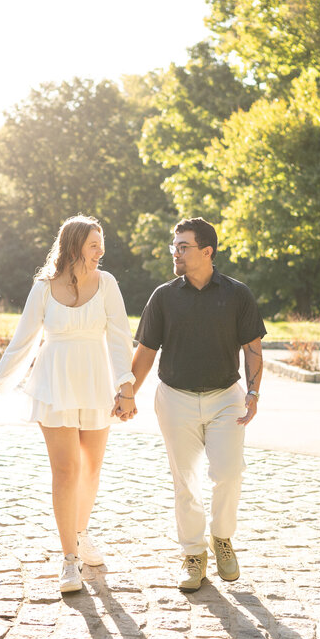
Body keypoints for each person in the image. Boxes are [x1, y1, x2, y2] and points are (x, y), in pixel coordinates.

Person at [0, 215, 135, 594]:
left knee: (91, 469)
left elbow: (120, 337)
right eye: (94, 245)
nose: (100, 252)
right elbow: (22, 343)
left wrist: (125, 387)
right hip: (54, 383)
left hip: (95, 382)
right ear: (74, 246)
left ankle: (81, 532)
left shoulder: (107, 284)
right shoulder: (43, 288)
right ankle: (69, 558)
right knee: (66, 470)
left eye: (101, 245)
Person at [116, 217, 265, 591]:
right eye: (175, 246)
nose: (175, 253)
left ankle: (222, 537)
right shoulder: (163, 296)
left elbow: (253, 348)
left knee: (229, 473)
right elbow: (146, 351)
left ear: (207, 251)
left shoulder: (237, 295)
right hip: (175, 399)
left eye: (183, 247)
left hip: (225, 399)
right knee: (186, 481)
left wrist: (253, 393)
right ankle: (194, 554)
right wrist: (128, 393)